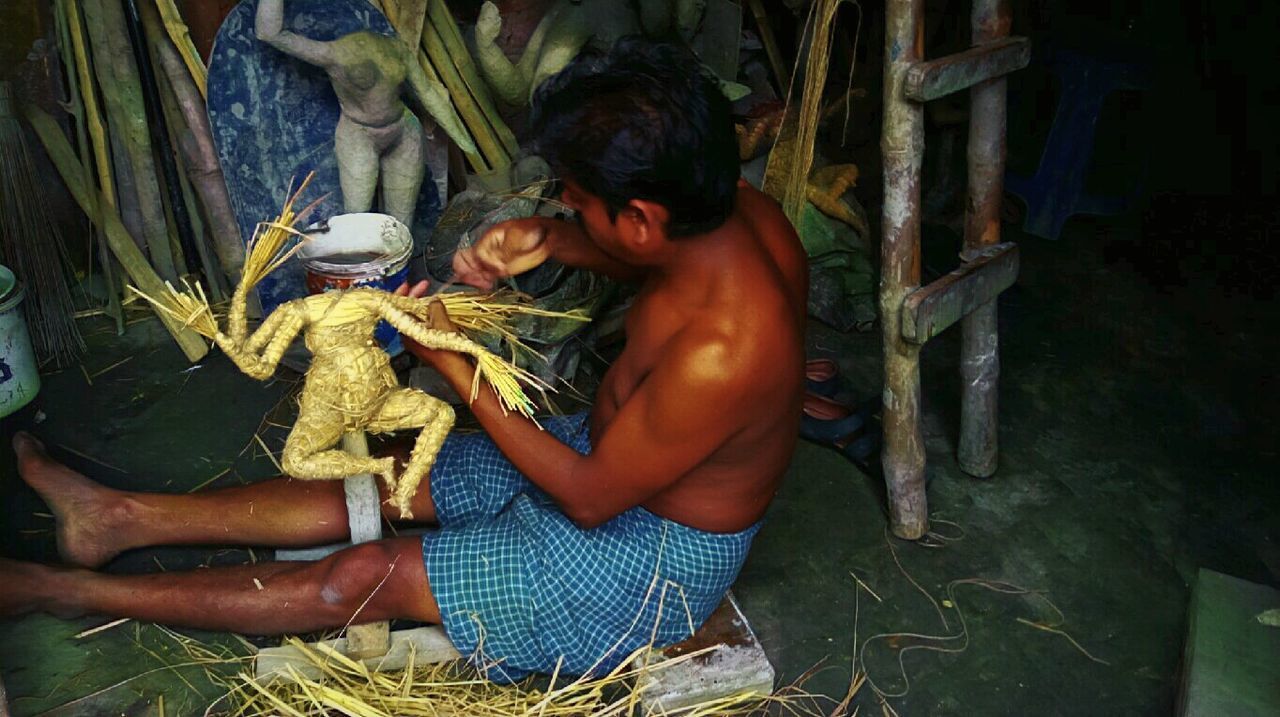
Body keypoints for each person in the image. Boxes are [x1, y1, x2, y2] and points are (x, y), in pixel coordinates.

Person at [0, 39, 807, 681]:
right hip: (611, 455)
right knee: (389, 474)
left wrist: (452, 363)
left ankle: (71, 591)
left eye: (575, 198)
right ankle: (117, 518)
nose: (563, 204)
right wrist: (556, 239)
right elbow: (661, 268)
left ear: (636, 215)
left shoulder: (725, 352)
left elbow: (593, 500)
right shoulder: (742, 217)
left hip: (643, 558)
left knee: (357, 579)